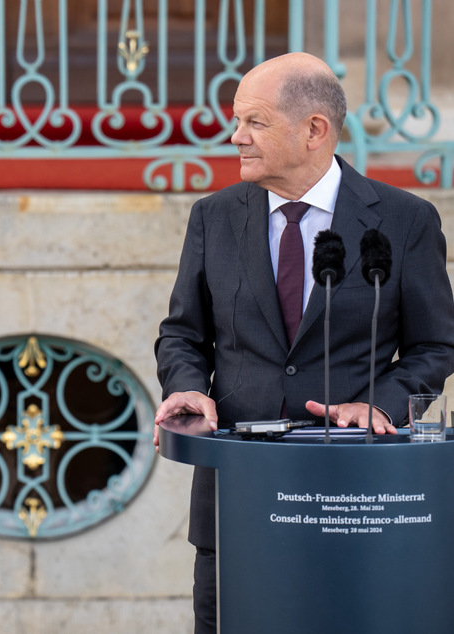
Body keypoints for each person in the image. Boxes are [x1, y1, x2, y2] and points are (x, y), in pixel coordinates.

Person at [153, 52, 454, 632]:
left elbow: (435, 346)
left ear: (314, 129)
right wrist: (188, 388)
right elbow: (182, 334)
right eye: (238, 120)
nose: (235, 136)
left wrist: (380, 405)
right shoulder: (213, 217)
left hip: (356, 500)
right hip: (237, 495)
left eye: (255, 122)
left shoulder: (404, 220)